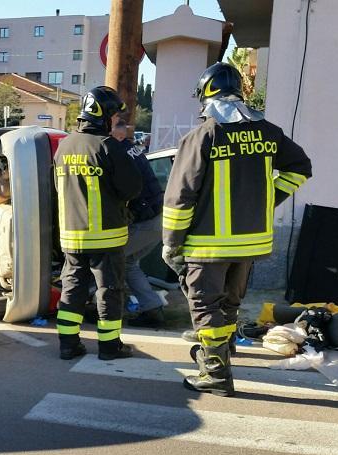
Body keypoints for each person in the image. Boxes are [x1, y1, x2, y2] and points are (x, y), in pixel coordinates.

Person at [162, 62, 312, 396]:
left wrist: (171, 245)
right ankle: (223, 350)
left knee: (204, 306)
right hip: (249, 244)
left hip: (208, 246)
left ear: (205, 95)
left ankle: (215, 373)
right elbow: (301, 166)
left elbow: (180, 197)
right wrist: (268, 199)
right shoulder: (267, 132)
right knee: (229, 302)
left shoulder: (203, 136)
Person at [54, 86, 143, 361]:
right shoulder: (108, 147)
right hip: (106, 237)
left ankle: (68, 345)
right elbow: (132, 189)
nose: (116, 121)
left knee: (72, 290)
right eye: (114, 116)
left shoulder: (63, 147)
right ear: (104, 117)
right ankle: (108, 347)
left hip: (71, 237)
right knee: (109, 292)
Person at [109, 114, 165, 328]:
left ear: (119, 133)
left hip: (146, 221)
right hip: (155, 219)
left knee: (112, 261)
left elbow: (123, 190)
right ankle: (151, 309)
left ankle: (108, 309)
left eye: (109, 130)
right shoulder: (134, 150)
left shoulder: (121, 153)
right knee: (128, 262)